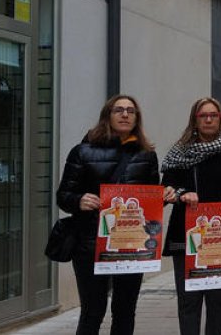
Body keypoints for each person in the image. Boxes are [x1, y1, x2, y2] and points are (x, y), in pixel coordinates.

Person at [55, 95, 160, 335]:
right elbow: (63, 195)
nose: (125, 114)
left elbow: (152, 202)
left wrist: (165, 197)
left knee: (125, 311)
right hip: (90, 245)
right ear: (108, 116)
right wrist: (79, 200)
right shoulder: (82, 152)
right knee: (93, 311)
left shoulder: (147, 155)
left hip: (131, 245)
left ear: (137, 118)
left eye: (131, 111)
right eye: (119, 110)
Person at [161, 97, 221, 335]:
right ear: (195, 120)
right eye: (202, 115)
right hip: (186, 235)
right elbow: (167, 188)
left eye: (212, 115)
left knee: (217, 302)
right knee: (188, 301)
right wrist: (182, 194)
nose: (208, 119)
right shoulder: (181, 150)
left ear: (220, 118)